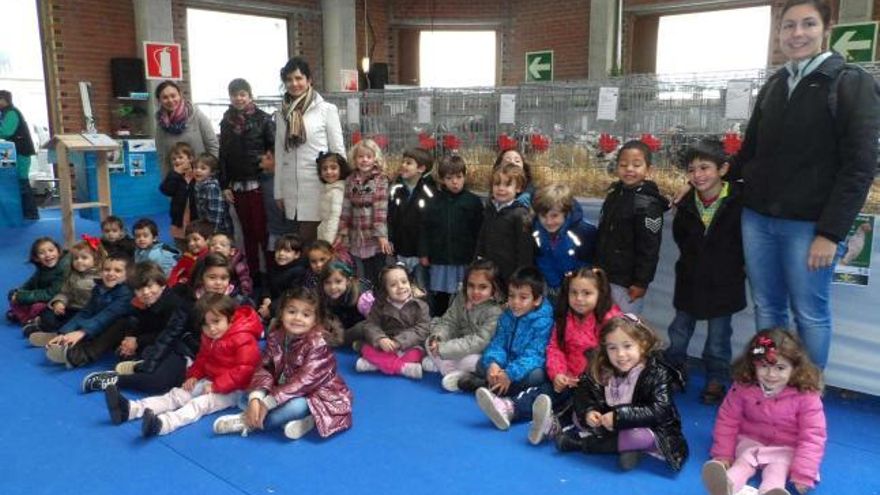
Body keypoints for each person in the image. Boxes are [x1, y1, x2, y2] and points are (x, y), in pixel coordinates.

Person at [724, 0, 880, 368]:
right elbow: (751, 150)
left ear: (827, 29)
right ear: (778, 33)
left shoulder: (850, 83)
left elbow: (860, 166)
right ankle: (769, 380)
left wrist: (830, 232)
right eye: (788, 26)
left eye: (807, 24)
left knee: (810, 311)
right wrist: (711, 179)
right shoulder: (777, 83)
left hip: (810, 226)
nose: (797, 34)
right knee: (768, 306)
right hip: (758, 219)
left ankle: (808, 394)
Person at [103, 293, 261, 438]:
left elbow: (245, 370)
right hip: (210, 380)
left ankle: (163, 424)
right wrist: (194, 375)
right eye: (206, 325)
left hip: (235, 389)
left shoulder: (243, 338)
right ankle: (130, 409)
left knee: (200, 404)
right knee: (178, 394)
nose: (211, 328)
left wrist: (217, 385)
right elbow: (203, 358)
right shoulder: (211, 335)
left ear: (230, 318)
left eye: (216, 322)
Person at [212, 287, 353, 440]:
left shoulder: (318, 344)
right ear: (282, 313)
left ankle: (247, 421)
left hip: (317, 393)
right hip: (284, 388)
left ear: (315, 321)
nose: (297, 318)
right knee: (246, 398)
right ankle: (297, 421)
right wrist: (256, 398)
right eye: (291, 312)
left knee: (296, 407)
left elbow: (304, 382)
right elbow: (265, 368)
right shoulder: (276, 337)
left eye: (306, 314)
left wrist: (267, 403)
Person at [665, 139, 745, 405]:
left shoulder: (738, 200)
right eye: (691, 170)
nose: (697, 175)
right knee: (678, 332)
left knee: (718, 338)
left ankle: (717, 379)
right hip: (690, 280)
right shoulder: (686, 205)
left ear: (722, 170)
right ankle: (674, 371)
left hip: (725, 283)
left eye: (704, 168)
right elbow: (680, 237)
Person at [555, 314, 688, 473]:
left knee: (636, 437)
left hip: (650, 428)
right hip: (613, 424)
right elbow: (584, 390)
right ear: (605, 349)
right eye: (613, 348)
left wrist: (619, 417)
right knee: (578, 416)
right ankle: (626, 447)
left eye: (627, 346)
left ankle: (581, 443)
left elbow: (660, 411)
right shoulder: (602, 367)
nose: (620, 354)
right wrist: (590, 411)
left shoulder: (658, 373)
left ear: (643, 345)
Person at [702, 329, 826, 495]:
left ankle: (771, 491)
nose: (771, 374)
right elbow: (728, 419)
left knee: (778, 468)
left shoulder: (806, 395)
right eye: (764, 366)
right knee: (743, 461)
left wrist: (804, 474)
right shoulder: (743, 386)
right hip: (750, 441)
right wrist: (723, 454)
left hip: (786, 447)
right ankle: (726, 486)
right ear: (753, 364)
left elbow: (813, 435)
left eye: (780, 368)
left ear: (795, 368)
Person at [525, 267, 621, 445]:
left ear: (600, 293)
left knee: (578, 406)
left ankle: (552, 425)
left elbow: (615, 359)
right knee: (546, 392)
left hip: (597, 386)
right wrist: (558, 374)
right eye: (574, 293)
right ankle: (511, 408)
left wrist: (588, 379)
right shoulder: (564, 317)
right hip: (568, 377)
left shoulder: (611, 321)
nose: (579, 299)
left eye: (587, 293)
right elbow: (555, 348)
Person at [80, 261, 191, 394]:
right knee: (122, 326)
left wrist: (138, 341)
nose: (145, 292)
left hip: (174, 346)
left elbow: (169, 336)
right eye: (139, 289)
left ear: (162, 284)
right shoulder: (144, 302)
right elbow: (139, 322)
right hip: (153, 343)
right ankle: (135, 363)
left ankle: (113, 379)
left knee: (157, 383)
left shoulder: (175, 304)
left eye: (150, 286)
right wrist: (131, 338)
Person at [466, 267, 553, 427]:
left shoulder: (544, 321)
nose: (515, 302)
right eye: (512, 296)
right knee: (482, 363)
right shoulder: (507, 315)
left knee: (537, 376)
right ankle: (494, 385)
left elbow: (535, 355)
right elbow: (498, 343)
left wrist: (510, 373)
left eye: (523, 297)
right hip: (506, 366)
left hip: (523, 369)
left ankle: (489, 386)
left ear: (537, 300)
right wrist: (494, 364)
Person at [273, 57, 345, 246]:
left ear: (309, 79)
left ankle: (313, 276)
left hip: (319, 188)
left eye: (298, 78)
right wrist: (278, 191)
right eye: (289, 80)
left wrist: (340, 187)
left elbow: (338, 152)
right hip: (290, 189)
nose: (294, 84)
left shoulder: (326, 109)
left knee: (315, 244)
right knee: (295, 244)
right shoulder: (282, 113)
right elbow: (280, 153)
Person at [594, 140, 668, 314]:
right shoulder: (613, 194)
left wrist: (641, 282)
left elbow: (649, 249)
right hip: (603, 276)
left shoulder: (647, 205)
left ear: (648, 170)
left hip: (627, 283)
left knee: (625, 327)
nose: (629, 169)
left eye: (636, 165)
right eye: (623, 165)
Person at [219, 78, 275, 283]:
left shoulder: (264, 119)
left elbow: (273, 149)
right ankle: (252, 276)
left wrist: (268, 171)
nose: (239, 98)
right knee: (247, 234)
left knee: (264, 232)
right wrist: (224, 184)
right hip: (238, 186)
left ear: (250, 96)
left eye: (242, 94)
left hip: (260, 184)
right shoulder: (226, 121)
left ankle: (270, 274)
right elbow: (223, 155)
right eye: (234, 95)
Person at [36, 253, 134, 368]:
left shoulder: (126, 294)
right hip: (97, 324)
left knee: (122, 323)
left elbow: (107, 316)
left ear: (127, 275)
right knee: (82, 321)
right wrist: (65, 332)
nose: (111, 273)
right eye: (107, 269)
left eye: (117, 271)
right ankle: (64, 341)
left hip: (119, 331)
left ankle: (83, 355)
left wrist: (81, 332)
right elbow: (86, 312)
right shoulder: (98, 288)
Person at [423, 260, 503, 392]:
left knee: (474, 361)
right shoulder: (462, 297)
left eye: (483, 287)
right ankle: (450, 370)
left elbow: (479, 341)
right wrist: (438, 338)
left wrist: (444, 349)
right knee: (429, 341)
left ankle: (445, 368)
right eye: (471, 286)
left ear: (494, 288)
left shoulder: (496, 311)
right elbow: (449, 321)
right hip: (456, 346)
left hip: (476, 352)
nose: (475, 291)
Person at [419, 154, 484, 316]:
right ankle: (438, 322)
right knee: (440, 294)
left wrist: (478, 256)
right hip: (440, 258)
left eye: (459, 177)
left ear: (465, 176)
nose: (455, 182)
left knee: (465, 293)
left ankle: (463, 323)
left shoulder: (473, 202)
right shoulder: (433, 201)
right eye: (449, 178)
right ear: (442, 180)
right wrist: (424, 253)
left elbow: (479, 231)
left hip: (464, 258)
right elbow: (425, 229)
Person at [354, 263, 430, 379]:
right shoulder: (379, 305)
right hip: (386, 346)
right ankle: (402, 368)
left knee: (416, 354)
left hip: (409, 345)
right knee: (366, 349)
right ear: (385, 290)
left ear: (410, 283)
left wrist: (399, 342)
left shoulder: (420, 306)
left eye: (404, 282)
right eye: (393, 285)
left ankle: (374, 365)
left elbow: (422, 329)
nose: (400, 286)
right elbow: (371, 325)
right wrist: (380, 339)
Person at [336, 139, 391, 286]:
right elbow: (346, 207)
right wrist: (342, 231)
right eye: (361, 157)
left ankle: (377, 301)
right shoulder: (350, 180)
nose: (364, 160)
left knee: (377, 272)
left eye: (368, 157)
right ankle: (363, 300)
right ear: (355, 159)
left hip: (373, 236)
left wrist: (381, 235)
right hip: (356, 235)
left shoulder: (381, 180)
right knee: (360, 273)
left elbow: (380, 209)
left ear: (375, 159)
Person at [23, 237, 102, 337]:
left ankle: (56, 334)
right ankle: (50, 328)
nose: (79, 261)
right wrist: (59, 302)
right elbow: (65, 292)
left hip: (86, 312)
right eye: (76, 258)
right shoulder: (72, 274)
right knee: (47, 314)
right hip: (71, 308)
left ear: (96, 259)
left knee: (78, 323)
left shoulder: (100, 277)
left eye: (84, 258)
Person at [532, 183, 598, 302]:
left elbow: (587, 264)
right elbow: (542, 259)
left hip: (577, 288)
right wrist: (554, 283)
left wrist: (571, 284)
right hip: (551, 286)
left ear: (566, 213)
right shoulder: (536, 230)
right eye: (543, 216)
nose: (549, 221)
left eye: (554, 216)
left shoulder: (584, 231)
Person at [474, 163, 534, 291]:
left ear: (518, 188)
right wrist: (478, 258)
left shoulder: (520, 214)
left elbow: (525, 248)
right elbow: (482, 237)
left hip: (510, 273)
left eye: (507, 185)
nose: (501, 189)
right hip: (490, 271)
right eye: (497, 184)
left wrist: (521, 274)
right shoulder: (490, 209)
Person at [388, 147, 435, 290]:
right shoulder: (396, 189)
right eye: (403, 162)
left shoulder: (429, 192)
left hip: (419, 254)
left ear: (421, 168)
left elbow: (429, 226)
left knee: (421, 288)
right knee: (401, 286)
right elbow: (390, 217)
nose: (403, 166)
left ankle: (427, 312)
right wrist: (390, 239)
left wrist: (424, 252)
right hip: (400, 250)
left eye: (409, 163)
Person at [153, 80, 218, 176]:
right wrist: (167, 182)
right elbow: (163, 157)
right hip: (178, 182)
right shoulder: (161, 125)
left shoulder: (196, 115)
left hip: (200, 178)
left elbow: (213, 146)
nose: (170, 100)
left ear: (180, 95)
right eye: (165, 97)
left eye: (173, 95)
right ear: (159, 100)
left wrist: (210, 173)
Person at [7, 237, 69, 325]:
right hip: (41, 295)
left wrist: (22, 296)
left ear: (58, 251)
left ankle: (27, 320)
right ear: (36, 258)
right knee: (13, 294)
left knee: (37, 307)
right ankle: (23, 314)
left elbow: (51, 293)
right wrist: (19, 291)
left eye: (51, 250)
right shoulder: (43, 267)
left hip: (54, 299)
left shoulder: (62, 268)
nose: (47, 254)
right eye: (41, 253)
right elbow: (32, 281)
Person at [0, 90, 39, 219]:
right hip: (10, 151)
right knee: (13, 180)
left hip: (21, 151)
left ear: (4, 100)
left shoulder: (11, 112)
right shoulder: (5, 113)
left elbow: (6, 131)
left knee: (22, 181)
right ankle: (20, 212)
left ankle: (31, 213)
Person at [319, 261, 374, 347]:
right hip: (345, 328)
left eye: (338, 282)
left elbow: (378, 321)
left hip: (368, 330)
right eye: (327, 282)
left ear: (348, 281)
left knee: (362, 327)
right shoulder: (324, 295)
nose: (333, 287)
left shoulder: (362, 299)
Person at [159, 141, 198, 253]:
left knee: (196, 245)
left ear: (190, 159)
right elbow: (166, 190)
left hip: (195, 218)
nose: (177, 161)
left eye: (180, 157)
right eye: (174, 159)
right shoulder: (173, 175)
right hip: (179, 219)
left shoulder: (196, 173)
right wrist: (174, 174)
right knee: (182, 247)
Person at [259, 233, 308, 321]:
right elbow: (266, 284)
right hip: (270, 303)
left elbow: (291, 294)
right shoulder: (274, 267)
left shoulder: (299, 272)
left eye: (287, 251)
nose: (281, 253)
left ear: (297, 255)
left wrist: (270, 308)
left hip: (285, 307)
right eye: (278, 250)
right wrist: (266, 297)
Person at [193, 153, 233, 235]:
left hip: (220, 230)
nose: (198, 170)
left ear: (212, 172)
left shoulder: (212, 187)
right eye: (195, 167)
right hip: (208, 227)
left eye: (203, 168)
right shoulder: (199, 185)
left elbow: (216, 214)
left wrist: (212, 233)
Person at [315, 151, 350, 244]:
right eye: (324, 169)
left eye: (333, 168)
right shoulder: (329, 189)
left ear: (341, 170)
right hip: (326, 234)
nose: (329, 172)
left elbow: (335, 218)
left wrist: (328, 243)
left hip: (333, 240)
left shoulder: (337, 192)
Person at [166, 219, 212, 288]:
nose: (191, 244)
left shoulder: (211, 257)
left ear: (208, 239)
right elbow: (175, 273)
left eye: (195, 239)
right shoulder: (187, 257)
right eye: (188, 241)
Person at [208, 231, 253, 298]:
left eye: (222, 245)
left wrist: (243, 297)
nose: (217, 246)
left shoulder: (238, 265)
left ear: (232, 251)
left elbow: (245, 282)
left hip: (234, 296)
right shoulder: (206, 263)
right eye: (213, 244)